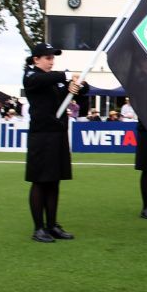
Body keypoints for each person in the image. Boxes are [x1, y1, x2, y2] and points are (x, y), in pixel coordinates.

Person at [23, 42, 87, 243]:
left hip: (58, 134)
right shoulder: (31, 76)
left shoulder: (53, 79)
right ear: (36, 60)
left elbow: (81, 89)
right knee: (40, 181)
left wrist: (78, 86)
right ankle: (38, 228)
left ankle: (52, 225)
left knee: (54, 180)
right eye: (48, 58)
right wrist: (67, 77)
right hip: (41, 136)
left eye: (53, 58)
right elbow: (42, 80)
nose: (52, 62)